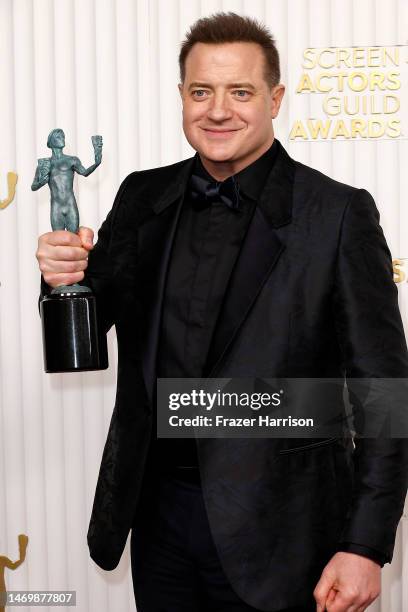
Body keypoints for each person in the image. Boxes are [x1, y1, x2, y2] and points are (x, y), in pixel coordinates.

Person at [36, 12, 408, 612]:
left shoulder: (337, 214)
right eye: (201, 91)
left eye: (240, 92)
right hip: (157, 518)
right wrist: (60, 279)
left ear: (276, 98)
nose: (218, 111)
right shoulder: (141, 196)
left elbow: (384, 394)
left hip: (284, 530)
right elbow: (87, 321)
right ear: (182, 97)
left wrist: (365, 543)